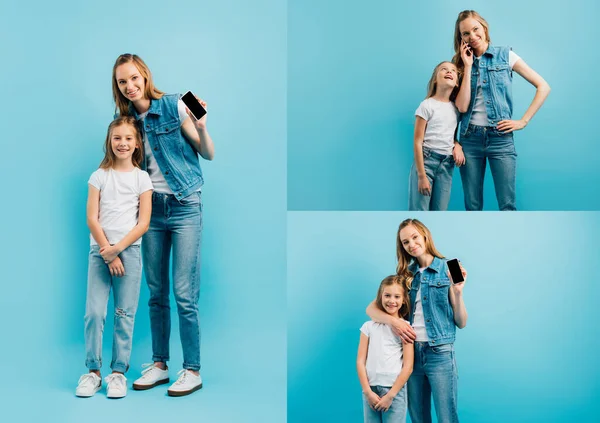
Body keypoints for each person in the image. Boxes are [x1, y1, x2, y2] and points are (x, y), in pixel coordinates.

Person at [111, 54, 215, 397]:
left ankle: (192, 370)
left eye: (133, 78)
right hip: (150, 212)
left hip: (186, 205)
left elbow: (208, 153)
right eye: (122, 82)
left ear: (144, 74)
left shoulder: (175, 103)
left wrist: (201, 126)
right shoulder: (123, 122)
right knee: (156, 293)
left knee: (185, 294)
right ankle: (160, 364)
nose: (130, 86)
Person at [76, 116, 153, 399]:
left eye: (128, 139)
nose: (122, 143)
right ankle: (93, 372)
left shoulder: (142, 179)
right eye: (117, 138)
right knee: (94, 313)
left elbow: (143, 223)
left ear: (136, 144)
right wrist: (108, 253)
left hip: (128, 252)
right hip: (100, 252)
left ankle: (118, 372)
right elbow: (91, 219)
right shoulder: (99, 176)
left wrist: (117, 249)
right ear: (110, 141)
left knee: (124, 313)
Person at [367, 219, 468, 423]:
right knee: (418, 418)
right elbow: (371, 309)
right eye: (405, 242)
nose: (411, 244)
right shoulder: (404, 275)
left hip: (440, 353)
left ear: (425, 235)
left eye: (414, 237)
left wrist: (457, 294)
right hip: (410, 355)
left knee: (447, 417)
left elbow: (462, 322)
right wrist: (395, 322)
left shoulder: (451, 266)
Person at [452, 10, 551, 211]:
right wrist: (469, 66)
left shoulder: (506, 55)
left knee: (507, 205)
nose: (472, 36)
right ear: (460, 38)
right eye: (465, 33)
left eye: (475, 29)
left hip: (500, 138)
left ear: (484, 28)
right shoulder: (458, 65)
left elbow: (543, 86)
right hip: (469, 139)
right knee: (472, 206)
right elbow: (461, 108)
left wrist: (523, 121)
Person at [409, 61, 466, 211]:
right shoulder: (427, 105)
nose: (449, 72)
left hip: (447, 164)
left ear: (457, 82)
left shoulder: (456, 109)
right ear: (435, 79)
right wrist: (421, 176)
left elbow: (449, 134)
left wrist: (457, 145)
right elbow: (417, 142)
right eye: (444, 69)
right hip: (426, 162)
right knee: (420, 209)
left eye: (453, 71)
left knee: (440, 210)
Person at [357, 275, 414, 422]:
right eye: (387, 295)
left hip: (394, 391)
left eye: (397, 296)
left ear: (403, 300)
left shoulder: (405, 329)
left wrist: (391, 395)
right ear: (380, 297)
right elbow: (360, 361)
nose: (391, 301)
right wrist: (367, 391)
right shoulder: (368, 327)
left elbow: (408, 366)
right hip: (371, 390)